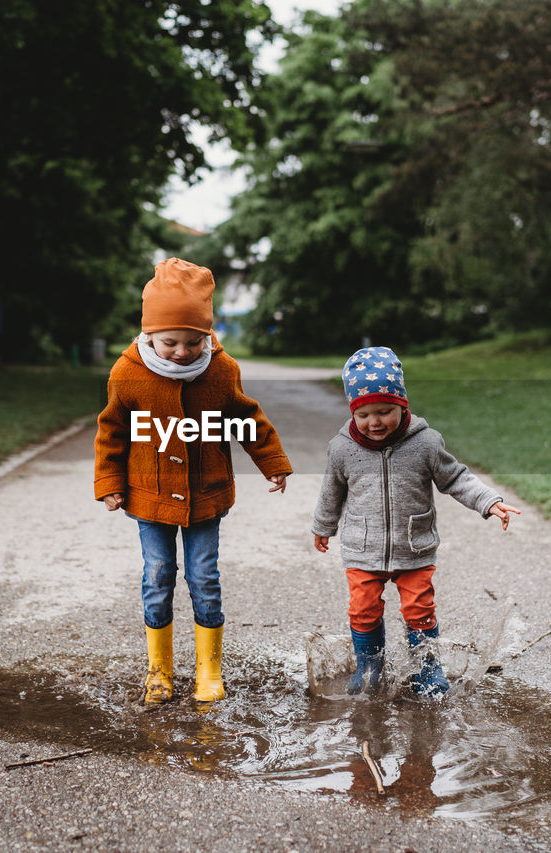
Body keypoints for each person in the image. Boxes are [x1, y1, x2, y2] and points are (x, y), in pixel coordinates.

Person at [94, 258, 292, 704]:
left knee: (204, 576)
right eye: (170, 343)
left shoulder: (221, 371)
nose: (182, 352)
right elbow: (111, 431)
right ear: (148, 334)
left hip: (206, 494)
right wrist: (109, 480)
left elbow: (248, 418)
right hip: (150, 495)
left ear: (207, 334)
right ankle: (159, 671)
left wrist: (272, 461)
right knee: (158, 575)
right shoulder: (128, 374)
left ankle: (208, 670)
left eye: (192, 341)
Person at [311, 346, 519, 698]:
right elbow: (331, 491)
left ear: (402, 405)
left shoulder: (425, 443)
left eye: (385, 411)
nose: (374, 422)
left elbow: (456, 479)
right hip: (364, 548)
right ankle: (370, 667)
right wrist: (323, 526)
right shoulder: (342, 448)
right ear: (353, 412)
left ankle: (426, 667)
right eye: (364, 414)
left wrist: (489, 501)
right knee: (362, 610)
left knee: (419, 610)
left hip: (415, 546)